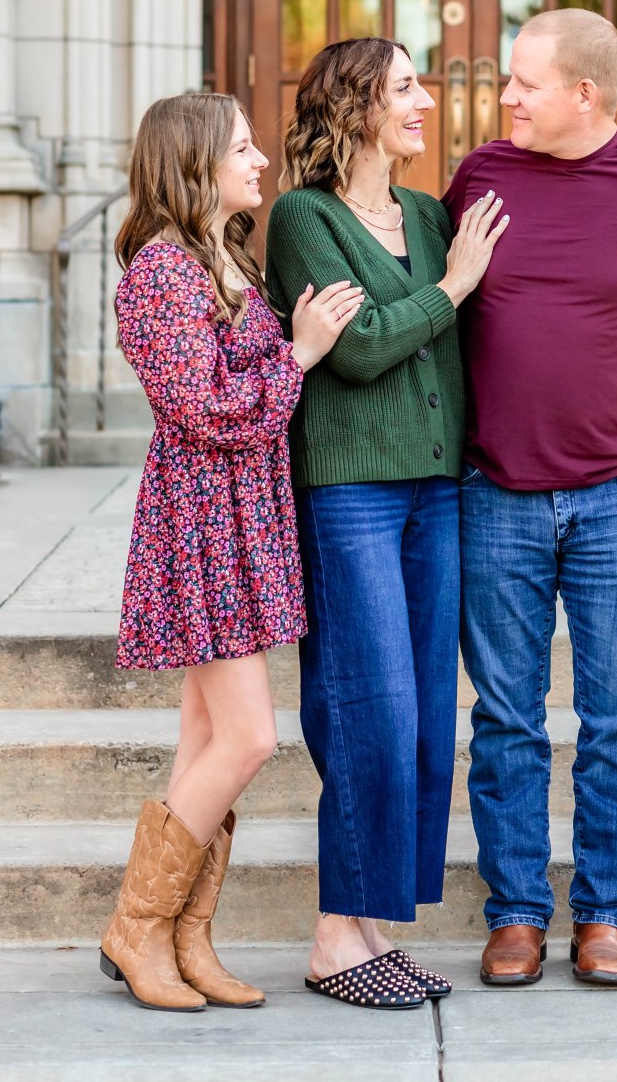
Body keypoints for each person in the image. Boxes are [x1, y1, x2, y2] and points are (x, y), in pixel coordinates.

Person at [100, 93, 362, 1013]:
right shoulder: (162, 273)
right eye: (242, 147)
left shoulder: (224, 259)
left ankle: (181, 935)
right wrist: (303, 351)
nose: (261, 160)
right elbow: (207, 410)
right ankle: (134, 927)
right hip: (203, 524)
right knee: (248, 737)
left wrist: (288, 351)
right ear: (194, 163)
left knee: (205, 738)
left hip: (244, 517)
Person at [265, 37, 507, 1010]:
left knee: (424, 723)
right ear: (358, 104)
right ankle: (334, 939)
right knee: (369, 707)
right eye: (406, 86)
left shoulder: (427, 211)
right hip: (351, 491)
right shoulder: (300, 218)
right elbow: (359, 348)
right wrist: (451, 288)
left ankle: (370, 927)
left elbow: (417, 338)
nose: (426, 99)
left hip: (436, 488)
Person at [443, 8, 617, 987]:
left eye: (522, 82)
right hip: (496, 488)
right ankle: (515, 915)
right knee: (505, 718)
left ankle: (606, 916)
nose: (503, 100)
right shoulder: (481, 177)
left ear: (584, 92)